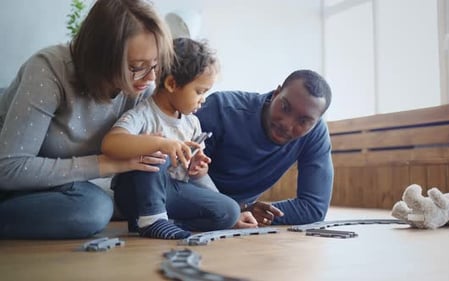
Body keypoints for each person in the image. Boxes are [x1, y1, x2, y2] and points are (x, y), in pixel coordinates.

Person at [0, 0, 174, 239]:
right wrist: (108, 164)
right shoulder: (49, 70)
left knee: (121, 198)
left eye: (156, 65)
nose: (151, 78)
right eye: (137, 66)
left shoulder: (140, 87)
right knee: (95, 209)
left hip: (56, 186)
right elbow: (9, 168)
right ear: (102, 56)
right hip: (11, 183)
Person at [101, 38, 254, 240]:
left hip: (173, 192)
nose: (203, 99)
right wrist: (159, 143)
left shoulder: (192, 124)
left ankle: (167, 223)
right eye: (200, 91)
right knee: (156, 152)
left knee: (230, 210)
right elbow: (110, 143)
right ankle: (152, 220)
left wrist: (198, 170)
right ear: (172, 83)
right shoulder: (143, 114)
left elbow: (191, 175)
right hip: (134, 193)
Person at [194, 69, 333, 226]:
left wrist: (250, 213)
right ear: (276, 93)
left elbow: (314, 208)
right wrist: (236, 212)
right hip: (187, 207)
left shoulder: (315, 133)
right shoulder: (220, 109)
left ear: (314, 123)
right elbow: (177, 179)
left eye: (303, 121)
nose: (287, 124)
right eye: (285, 107)